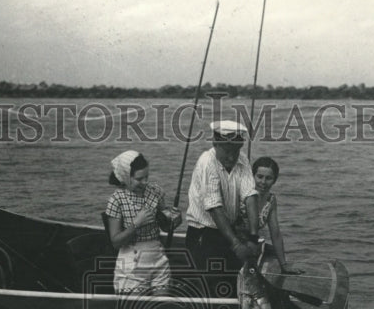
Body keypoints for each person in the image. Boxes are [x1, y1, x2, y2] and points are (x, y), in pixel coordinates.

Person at [183, 120, 261, 279]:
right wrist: (237, 244)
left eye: (236, 150)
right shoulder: (207, 162)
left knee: (234, 280)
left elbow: (250, 196)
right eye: (226, 151)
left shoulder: (243, 159)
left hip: (227, 232)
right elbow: (214, 207)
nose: (232, 157)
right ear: (215, 143)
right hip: (203, 234)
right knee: (210, 283)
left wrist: (253, 237)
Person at [104, 150, 181, 295]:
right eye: (139, 179)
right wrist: (136, 224)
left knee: (161, 307)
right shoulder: (116, 200)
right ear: (126, 177)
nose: (145, 182)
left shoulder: (155, 191)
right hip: (131, 263)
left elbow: (164, 225)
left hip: (158, 258)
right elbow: (115, 242)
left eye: (147, 177)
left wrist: (173, 220)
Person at [241, 156, 304, 274]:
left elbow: (275, 234)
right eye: (259, 177)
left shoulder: (271, 200)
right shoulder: (243, 194)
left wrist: (284, 265)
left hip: (253, 245)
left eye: (268, 178)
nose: (263, 182)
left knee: (274, 257)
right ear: (252, 176)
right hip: (235, 244)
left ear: (275, 180)